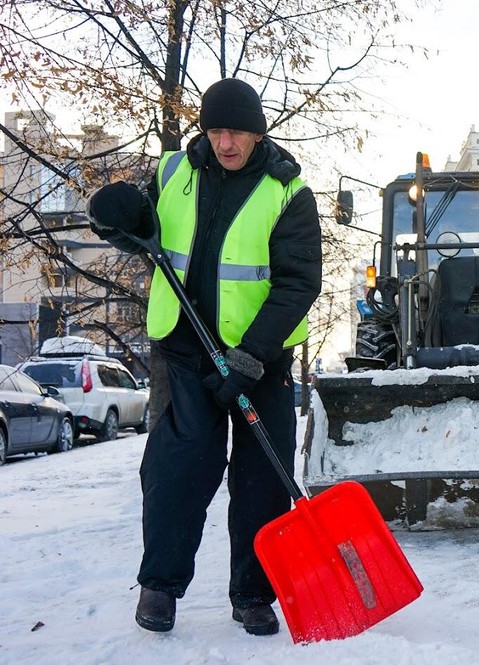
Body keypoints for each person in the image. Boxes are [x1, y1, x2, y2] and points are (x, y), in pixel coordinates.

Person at [87, 78, 322, 636]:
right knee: (177, 469)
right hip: (186, 352)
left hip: (258, 361)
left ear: (258, 133)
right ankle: (160, 585)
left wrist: (250, 357)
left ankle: (254, 594)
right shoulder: (173, 172)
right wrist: (113, 221)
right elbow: (143, 237)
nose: (225, 143)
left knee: (263, 477)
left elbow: (298, 282)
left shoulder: (288, 191)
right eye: (215, 131)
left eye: (236, 132)